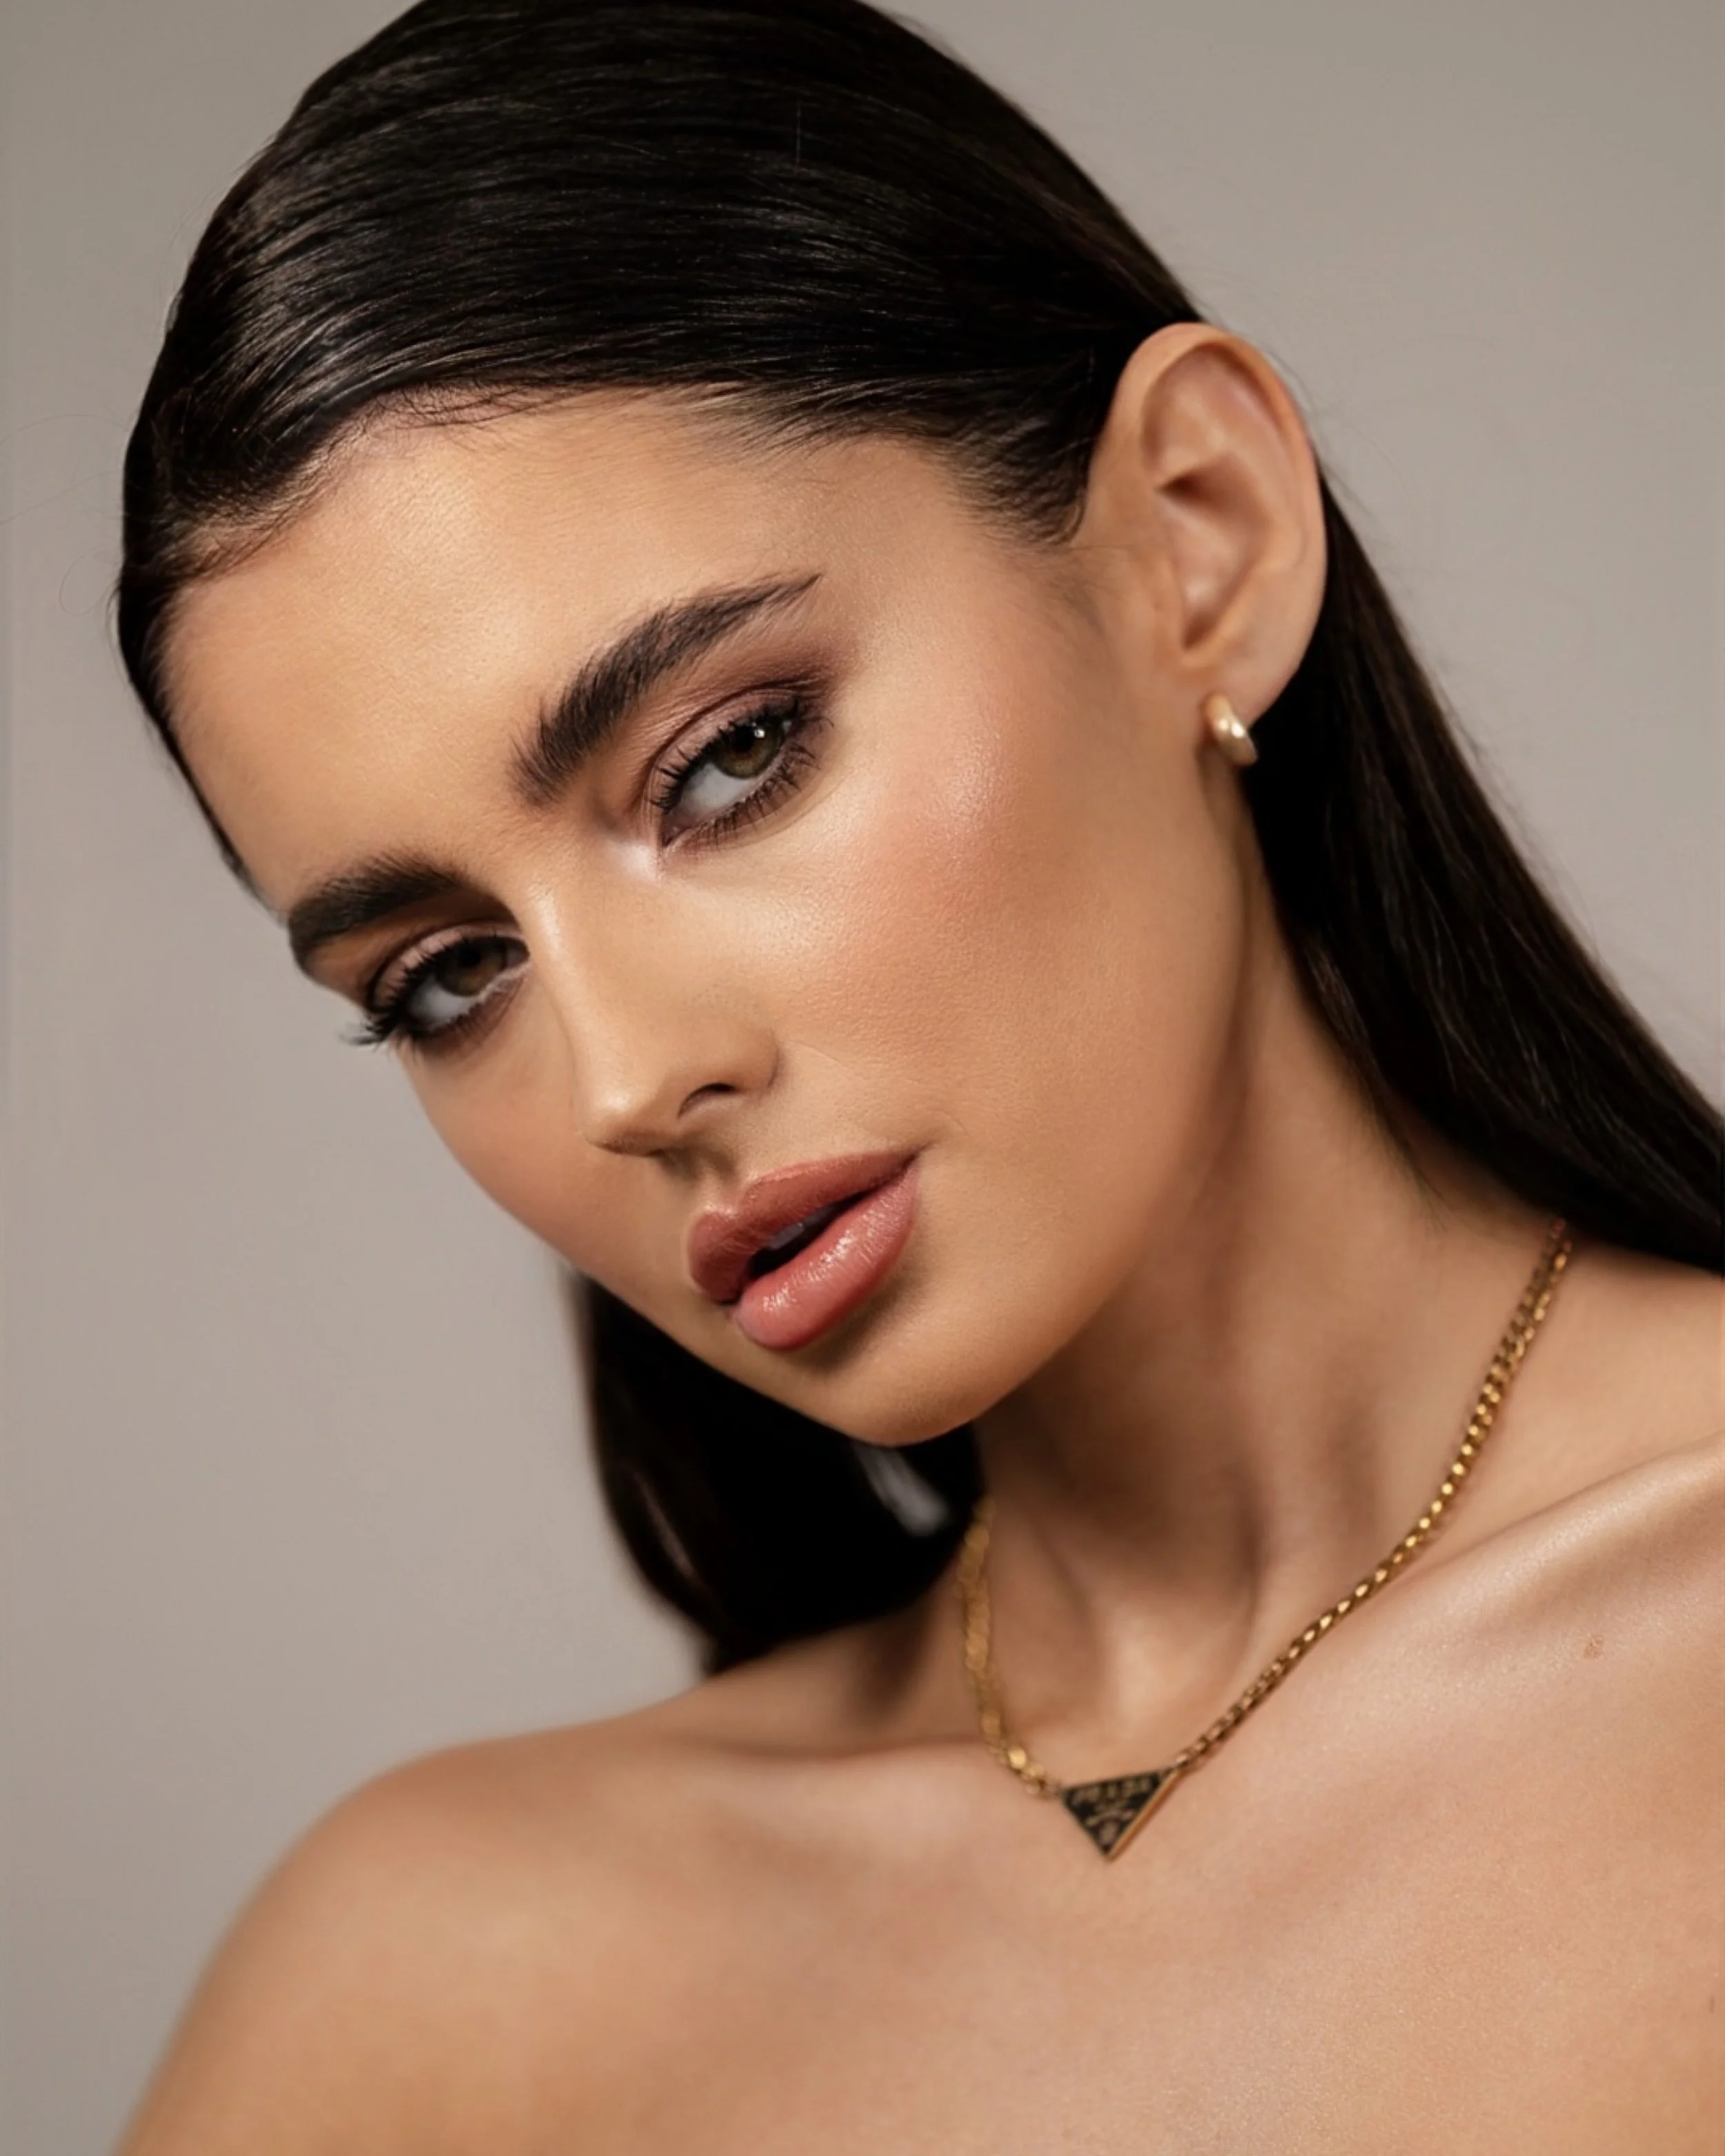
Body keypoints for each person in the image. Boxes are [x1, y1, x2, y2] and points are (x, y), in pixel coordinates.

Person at [113, 0, 1721, 2146]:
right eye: (445, 974)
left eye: (728, 758)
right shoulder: (430, 1986)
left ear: (1198, 540)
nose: (625, 1075)